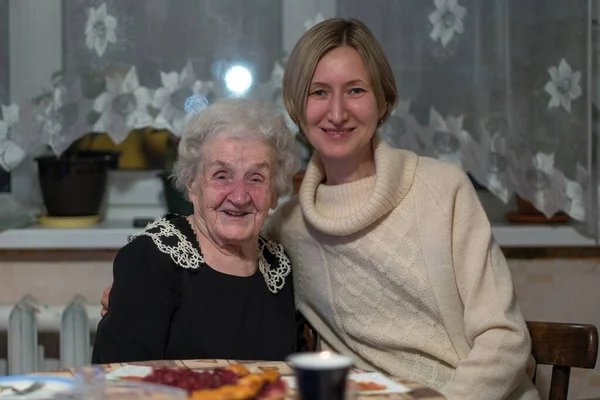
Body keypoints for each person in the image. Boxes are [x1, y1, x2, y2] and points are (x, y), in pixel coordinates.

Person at [102, 18, 539, 400]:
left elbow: (505, 338)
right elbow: (218, 282)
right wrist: (134, 295)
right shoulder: (288, 229)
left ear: (383, 101)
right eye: (318, 92)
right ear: (298, 105)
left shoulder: (443, 189)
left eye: (355, 90)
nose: (337, 112)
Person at [92, 98, 301, 363]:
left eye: (256, 178)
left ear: (275, 193)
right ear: (192, 184)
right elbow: (117, 383)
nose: (239, 197)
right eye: (222, 176)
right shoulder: (150, 260)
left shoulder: (278, 266)